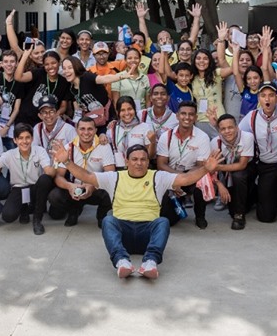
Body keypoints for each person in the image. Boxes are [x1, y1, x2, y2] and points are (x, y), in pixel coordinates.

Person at [51, 142, 221, 279]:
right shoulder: (115, 177)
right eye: (134, 159)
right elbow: (87, 177)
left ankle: (150, 262)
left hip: (148, 234)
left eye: (143, 159)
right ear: (126, 161)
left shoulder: (158, 177)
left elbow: (185, 178)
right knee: (108, 220)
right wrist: (67, 162)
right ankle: (122, 262)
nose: (139, 163)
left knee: (163, 222)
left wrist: (206, 169)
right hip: (122, 234)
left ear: (148, 161)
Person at [0, 124, 57, 234]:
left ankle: (37, 219)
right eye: (21, 138)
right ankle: (24, 208)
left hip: (35, 187)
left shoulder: (39, 151)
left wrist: (55, 161)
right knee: (8, 216)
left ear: (32, 139)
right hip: (18, 188)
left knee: (45, 179)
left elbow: (50, 173)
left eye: (27, 137)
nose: (25, 141)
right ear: (15, 140)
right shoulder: (9, 154)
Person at [49, 116, 116, 227]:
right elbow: (58, 176)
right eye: (82, 129)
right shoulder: (68, 147)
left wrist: (93, 186)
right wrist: (70, 186)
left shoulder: (104, 146)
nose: (86, 132)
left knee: (111, 191)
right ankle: (74, 210)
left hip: (95, 187)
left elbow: (110, 174)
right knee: (54, 196)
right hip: (75, 188)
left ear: (95, 130)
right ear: (77, 130)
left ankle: (102, 216)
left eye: (90, 129)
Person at [156, 101, 212, 228]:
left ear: (196, 117)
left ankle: (200, 216)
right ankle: (176, 204)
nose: (187, 117)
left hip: (192, 174)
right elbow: (161, 164)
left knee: (202, 181)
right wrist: (178, 179)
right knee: (169, 221)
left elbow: (201, 166)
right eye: (183, 114)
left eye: (191, 114)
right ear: (177, 116)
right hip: (170, 175)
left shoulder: (202, 137)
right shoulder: (167, 136)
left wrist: (185, 179)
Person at [239, 82, 277, 224]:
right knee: (266, 217)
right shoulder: (252, 116)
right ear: (259, 98)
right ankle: (259, 195)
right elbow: (237, 134)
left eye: (271, 95)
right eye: (263, 96)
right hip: (265, 165)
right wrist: (217, 124)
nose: (267, 99)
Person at [210, 113, 255, 229]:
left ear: (237, 127)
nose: (227, 131)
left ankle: (239, 215)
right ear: (219, 131)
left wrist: (217, 167)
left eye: (230, 127)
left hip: (247, 170)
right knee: (231, 210)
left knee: (238, 176)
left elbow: (241, 165)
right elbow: (209, 169)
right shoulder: (215, 142)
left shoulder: (247, 137)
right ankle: (241, 205)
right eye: (223, 129)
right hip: (227, 172)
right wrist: (219, 184)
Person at [15, 48, 69, 127]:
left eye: (53, 63)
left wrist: (55, 115)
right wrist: (25, 54)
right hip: (25, 121)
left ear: (59, 63)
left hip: (46, 125)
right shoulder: (39, 73)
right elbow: (18, 77)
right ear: (43, 65)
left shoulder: (64, 82)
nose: (50, 66)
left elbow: (63, 106)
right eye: (47, 64)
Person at [105, 96, 154, 167]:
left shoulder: (144, 127)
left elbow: (150, 155)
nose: (127, 113)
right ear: (118, 112)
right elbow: (106, 146)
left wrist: (153, 143)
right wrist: (102, 135)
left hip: (139, 168)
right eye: (122, 110)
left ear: (134, 109)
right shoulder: (113, 127)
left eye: (129, 109)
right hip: (120, 170)